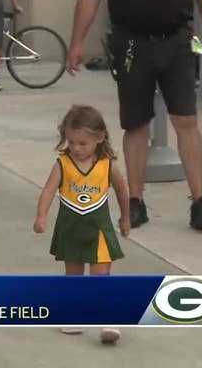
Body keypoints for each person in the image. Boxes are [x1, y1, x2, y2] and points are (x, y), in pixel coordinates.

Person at [68, 0, 202, 231]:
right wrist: (77, 41)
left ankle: (200, 202)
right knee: (135, 123)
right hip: (130, 44)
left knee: (186, 120)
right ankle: (135, 202)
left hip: (178, 40)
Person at [34, 104, 130, 343]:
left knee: (100, 275)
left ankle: (108, 318)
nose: (76, 148)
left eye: (82, 143)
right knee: (74, 276)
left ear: (99, 138)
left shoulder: (108, 164)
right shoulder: (63, 165)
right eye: (71, 142)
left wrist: (126, 217)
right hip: (71, 228)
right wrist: (42, 216)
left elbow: (122, 190)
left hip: (99, 230)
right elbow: (48, 191)